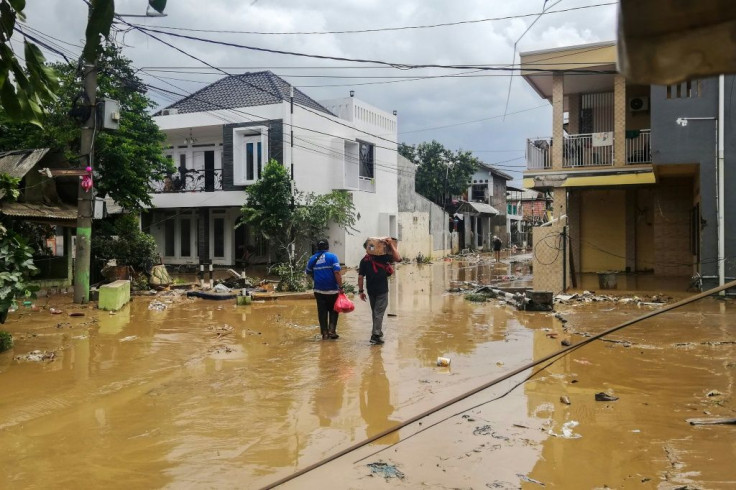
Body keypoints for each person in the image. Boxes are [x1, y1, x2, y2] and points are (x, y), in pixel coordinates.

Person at [358, 238, 401, 345]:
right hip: (382, 290)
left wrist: (361, 291)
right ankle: (375, 335)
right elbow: (398, 258)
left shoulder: (364, 260)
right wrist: (391, 245)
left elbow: (360, 277)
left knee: (376, 312)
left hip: (370, 290)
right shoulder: (383, 257)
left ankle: (377, 332)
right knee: (379, 312)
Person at [305, 239, 343, 340]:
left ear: (318, 247)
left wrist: (316, 278)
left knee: (322, 312)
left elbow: (308, 272)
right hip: (332, 290)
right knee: (334, 310)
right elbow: (337, 273)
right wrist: (341, 287)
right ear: (327, 247)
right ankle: (332, 331)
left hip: (318, 290)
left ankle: (325, 334)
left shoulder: (312, 258)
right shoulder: (332, 257)